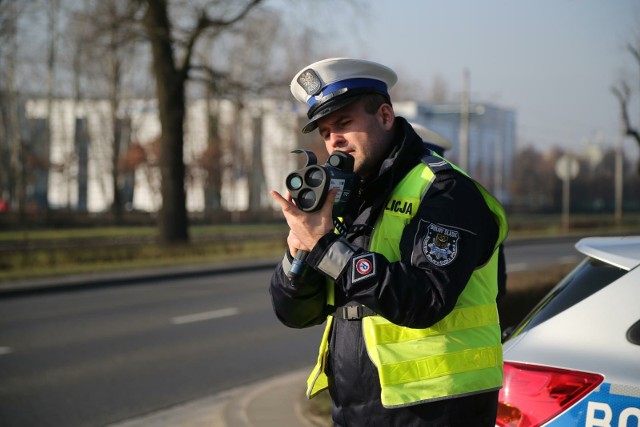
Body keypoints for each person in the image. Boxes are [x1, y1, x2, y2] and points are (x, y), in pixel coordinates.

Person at [269, 58, 508, 426]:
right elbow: (294, 314)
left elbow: (424, 300)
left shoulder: (444, 189)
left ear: (384, 116)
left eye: (345, 123)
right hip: (357, 412)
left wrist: (325, 247)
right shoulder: (349, 199)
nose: (334, 139)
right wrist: (298, 253)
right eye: (326, 131)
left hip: (435, 412)